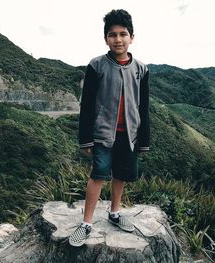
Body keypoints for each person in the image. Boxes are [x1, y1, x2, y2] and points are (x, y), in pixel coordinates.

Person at [69, 9, 150, 247]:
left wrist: (144, 140)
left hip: (130, 134)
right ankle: (86, 223)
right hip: (103, 134)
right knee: (98, 175)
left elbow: (143, 106)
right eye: (112, 34)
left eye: (123, 34)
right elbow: (87, 105)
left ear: (132, 37)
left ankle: (115, 213)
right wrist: (86, 139)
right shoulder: (97, 66)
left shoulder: (141, 69)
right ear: (106, 38)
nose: (118, 39)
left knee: (121, 175)